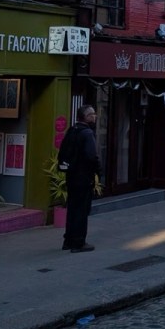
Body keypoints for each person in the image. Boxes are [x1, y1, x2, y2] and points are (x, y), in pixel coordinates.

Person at [63, 105, 102, 253]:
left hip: (71, 175)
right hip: (83, 177)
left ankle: (68, 240)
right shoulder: (87, 133)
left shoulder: (72, 130)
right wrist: (98, 172)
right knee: (82, 210)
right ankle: (79, 242)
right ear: (86, 117)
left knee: (72, 208)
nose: (95, 116)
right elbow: (92, 156)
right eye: (93, 114)